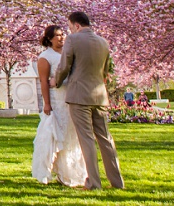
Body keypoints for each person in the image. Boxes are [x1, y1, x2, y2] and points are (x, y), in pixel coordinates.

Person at [54, 11, 125, 190]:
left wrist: (57, 81)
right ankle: (117, 182)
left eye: (70, 27)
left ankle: (94, 182)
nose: (69, 31)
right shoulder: (103, 42)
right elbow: (106, 70)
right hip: (99, 96)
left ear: (76, 25)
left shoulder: (73, 40)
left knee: (86, 139)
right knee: (105, 138)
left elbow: (64, 65)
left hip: (79, 95)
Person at [31, 24, 88, 187]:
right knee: (58, 133)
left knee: (73, 133)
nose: (61, 37)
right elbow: (43, 81)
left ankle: (72, 171)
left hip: (73, 97)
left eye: (63, 34)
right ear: (49, 39)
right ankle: (56, 170)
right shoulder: (45, 57)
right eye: (57, 35)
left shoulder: (69, 54)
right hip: (57, 100)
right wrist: (47, 104)